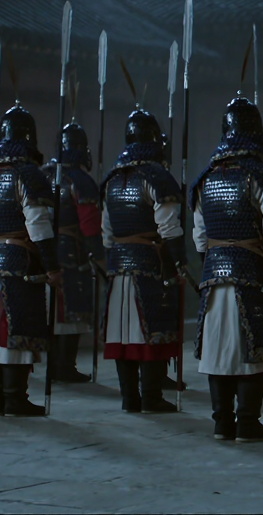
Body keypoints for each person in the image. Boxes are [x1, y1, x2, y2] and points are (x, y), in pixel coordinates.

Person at [191, 94, 263, 443]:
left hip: (213, 276)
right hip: (251, 277)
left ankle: (222, 423)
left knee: (218, 351)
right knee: (253, 350)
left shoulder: (206, 178)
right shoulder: (261, 175)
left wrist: (213, 266)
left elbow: (200, 238)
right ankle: (247, 423)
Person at [0, 104, 60, 417]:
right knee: (15, 330)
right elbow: (38, 226)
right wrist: (51, 266)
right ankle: (14, 398)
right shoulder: (28, 174)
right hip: (19, 262)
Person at [101, 105, 184, 413]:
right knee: (151, 329)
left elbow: (107, 232)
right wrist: (179, 263)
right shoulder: (157, 177)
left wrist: (114, 257)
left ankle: (129, 398)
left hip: (118, 264)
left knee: (122, 333)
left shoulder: (112, 179)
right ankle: (150, 397)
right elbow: (169, 228)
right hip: (150, 263)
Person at [42, 120, 101, 383]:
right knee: (70, 312)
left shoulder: (43, 175)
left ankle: (54, 365)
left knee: (52, 311)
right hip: (72, 252)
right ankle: (64, 366)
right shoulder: (80, 180)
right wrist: (98, 255)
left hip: (43, 250)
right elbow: (89, 225)